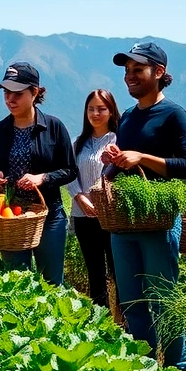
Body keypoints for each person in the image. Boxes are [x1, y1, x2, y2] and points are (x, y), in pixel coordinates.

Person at [101, 43, 186, 371]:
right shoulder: (127, 117)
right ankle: (143, 370)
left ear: (158, 72)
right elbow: (124, 163)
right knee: (132, 301)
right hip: (124, 222)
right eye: (127, 71)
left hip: (158, 222)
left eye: (137, 70)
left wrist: (143, 158)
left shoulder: (174, 115)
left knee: (165, 301)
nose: (130, 77)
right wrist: (113, 162)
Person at [0, 62, 78, 286]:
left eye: (17, 93)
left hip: (49, 216)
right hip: (11, 217)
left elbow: (70, 170)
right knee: (17, 283)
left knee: (52, 283)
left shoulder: (54, 127)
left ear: (34, 92)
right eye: (6, 93)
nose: (10, 99)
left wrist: (43, 178)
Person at [66, 89, 120, 307]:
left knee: (118, 271)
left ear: (111, 111)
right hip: (83, 215)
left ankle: (124, 321)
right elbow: (69, 173)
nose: (95, 113)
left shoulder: (118, 141)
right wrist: (80, 198)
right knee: (94, 271)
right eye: (91, 109)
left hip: (112, 218)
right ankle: (101, 321)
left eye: (101, 109)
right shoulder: (78, 143)